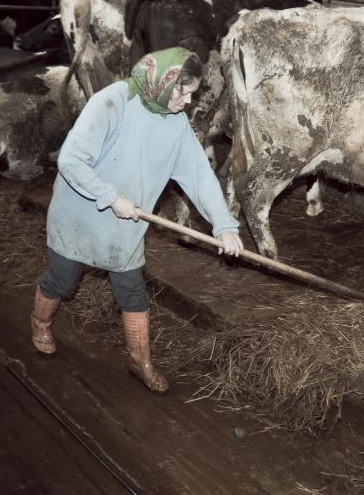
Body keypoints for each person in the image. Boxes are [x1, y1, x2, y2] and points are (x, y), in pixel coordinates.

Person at [29, 47, 243, 394]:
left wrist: (224, 224)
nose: (188, 101)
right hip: (79, 215)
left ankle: (139, 361)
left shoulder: (175, 122)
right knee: (62, 281)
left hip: (125, 225)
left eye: (192, 93)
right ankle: (40, 323)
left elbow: (199, 176)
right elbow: (71, 160)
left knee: (132, 293)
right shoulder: (113, 101)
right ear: (163, 81)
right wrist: (111, 197)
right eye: (183, 92)